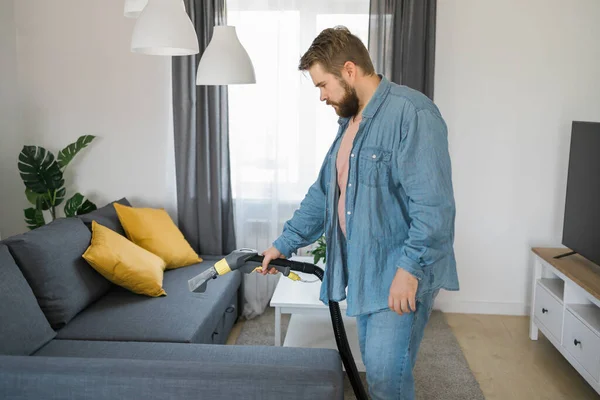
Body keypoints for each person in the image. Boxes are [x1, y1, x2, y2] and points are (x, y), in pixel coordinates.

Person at [259, 26, 459, 400]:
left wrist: (409, 272)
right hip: (366, 273)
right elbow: (323, 195)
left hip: (398, 273)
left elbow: (435, 207)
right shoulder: (350, 123)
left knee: (386, 380)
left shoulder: (413, 113)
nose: (321, 96)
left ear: (349, 71)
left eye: (323, 85)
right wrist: (283, 244)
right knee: (382, 373)